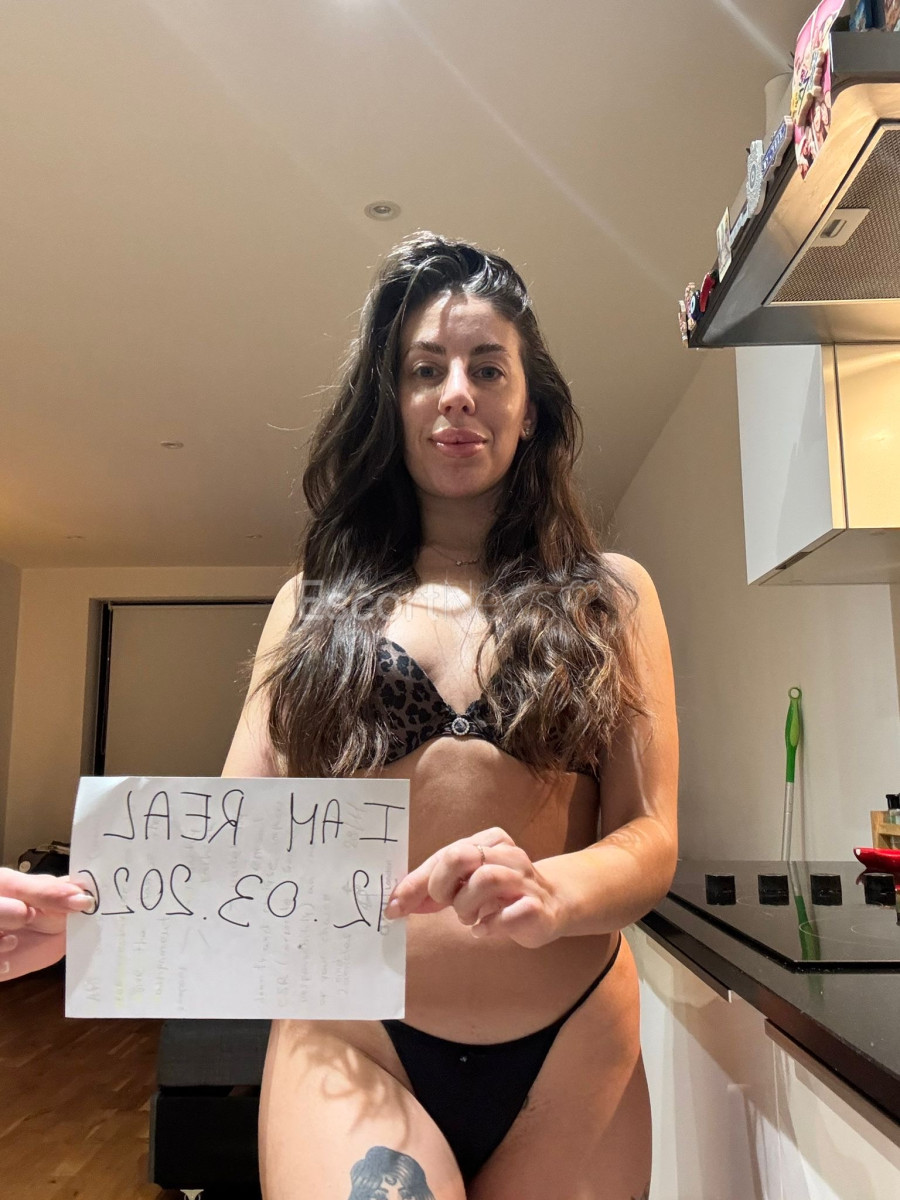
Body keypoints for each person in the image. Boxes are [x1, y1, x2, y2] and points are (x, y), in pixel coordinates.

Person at [1, 232, 678, 1199]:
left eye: (488, 368)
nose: (457, 393)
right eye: (425, 369)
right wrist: (85, 921)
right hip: (357, 1046)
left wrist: (555, 891)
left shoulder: (611, 595)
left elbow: (650, 835)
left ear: (530, 408)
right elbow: (237, 835)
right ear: (390, 404)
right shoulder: (312, 605)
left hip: (572, 1055)